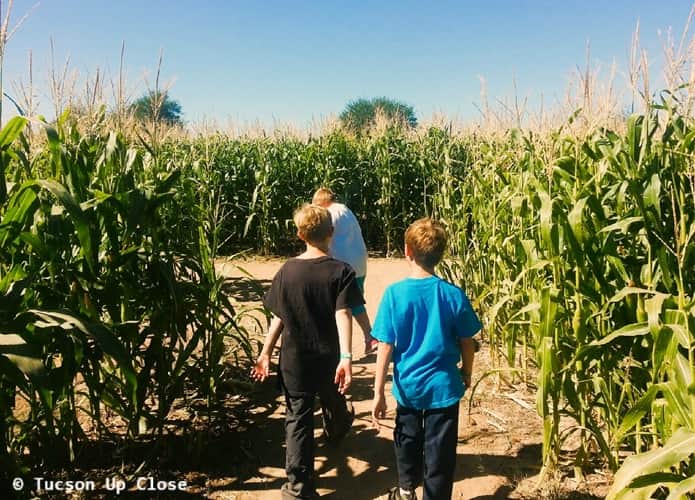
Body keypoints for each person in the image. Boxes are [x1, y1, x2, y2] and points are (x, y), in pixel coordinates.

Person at [251, 203, 364, 500]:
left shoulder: (287, 271)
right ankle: (338, 428)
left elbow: (279, 317)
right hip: (328, 358)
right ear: (332, 232)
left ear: (301, 234)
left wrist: (265, 352)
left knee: (298, 420)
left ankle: (299, 488)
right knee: (333, 399)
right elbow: (344, 314)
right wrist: (346, 357)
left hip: (295, 360)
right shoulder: (342, 271)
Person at [371, 218, 481, 500]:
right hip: (444, 387)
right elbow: (467, 341)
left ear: (407, 251)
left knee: (407, 441)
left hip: (408, 387)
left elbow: (385, 346)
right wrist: (466, 372)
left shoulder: (395, 295)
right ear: (440, 255)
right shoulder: (453, 295)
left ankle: (406, 489)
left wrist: (378, 393)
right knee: (440, 451)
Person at [312, 187, 378, 356]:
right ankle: (369, 337)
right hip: (359, 263)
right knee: (355, 302)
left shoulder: (330, 214)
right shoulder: (345, 210)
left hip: (344, 265)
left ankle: (368, 338)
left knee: (348, 304)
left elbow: (323, 236)